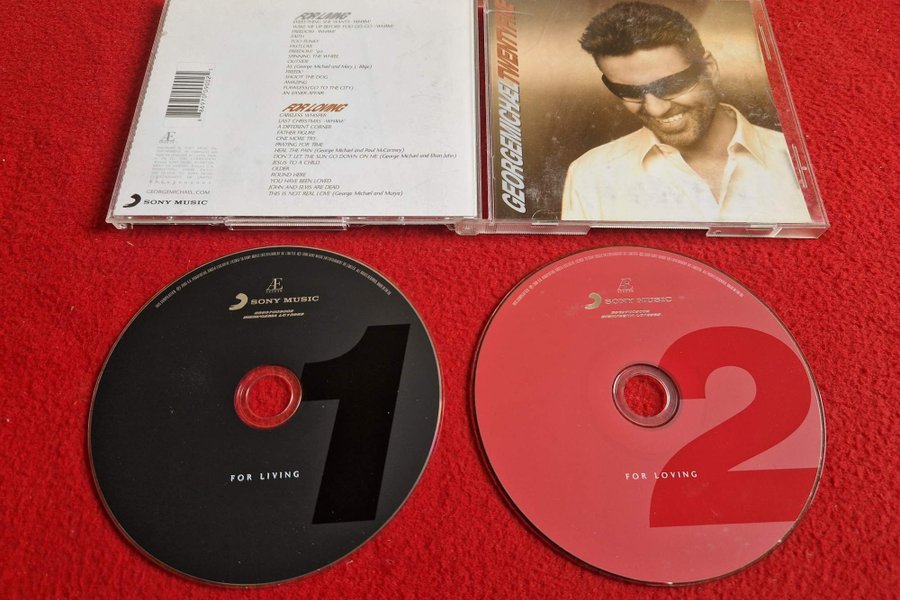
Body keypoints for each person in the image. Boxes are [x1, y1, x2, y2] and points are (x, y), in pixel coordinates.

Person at [561, 1, 811, 223]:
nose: (656, 109)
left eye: (670, 85)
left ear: (709, 69)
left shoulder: (799, 159)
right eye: (629, 91)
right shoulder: (590, 175)